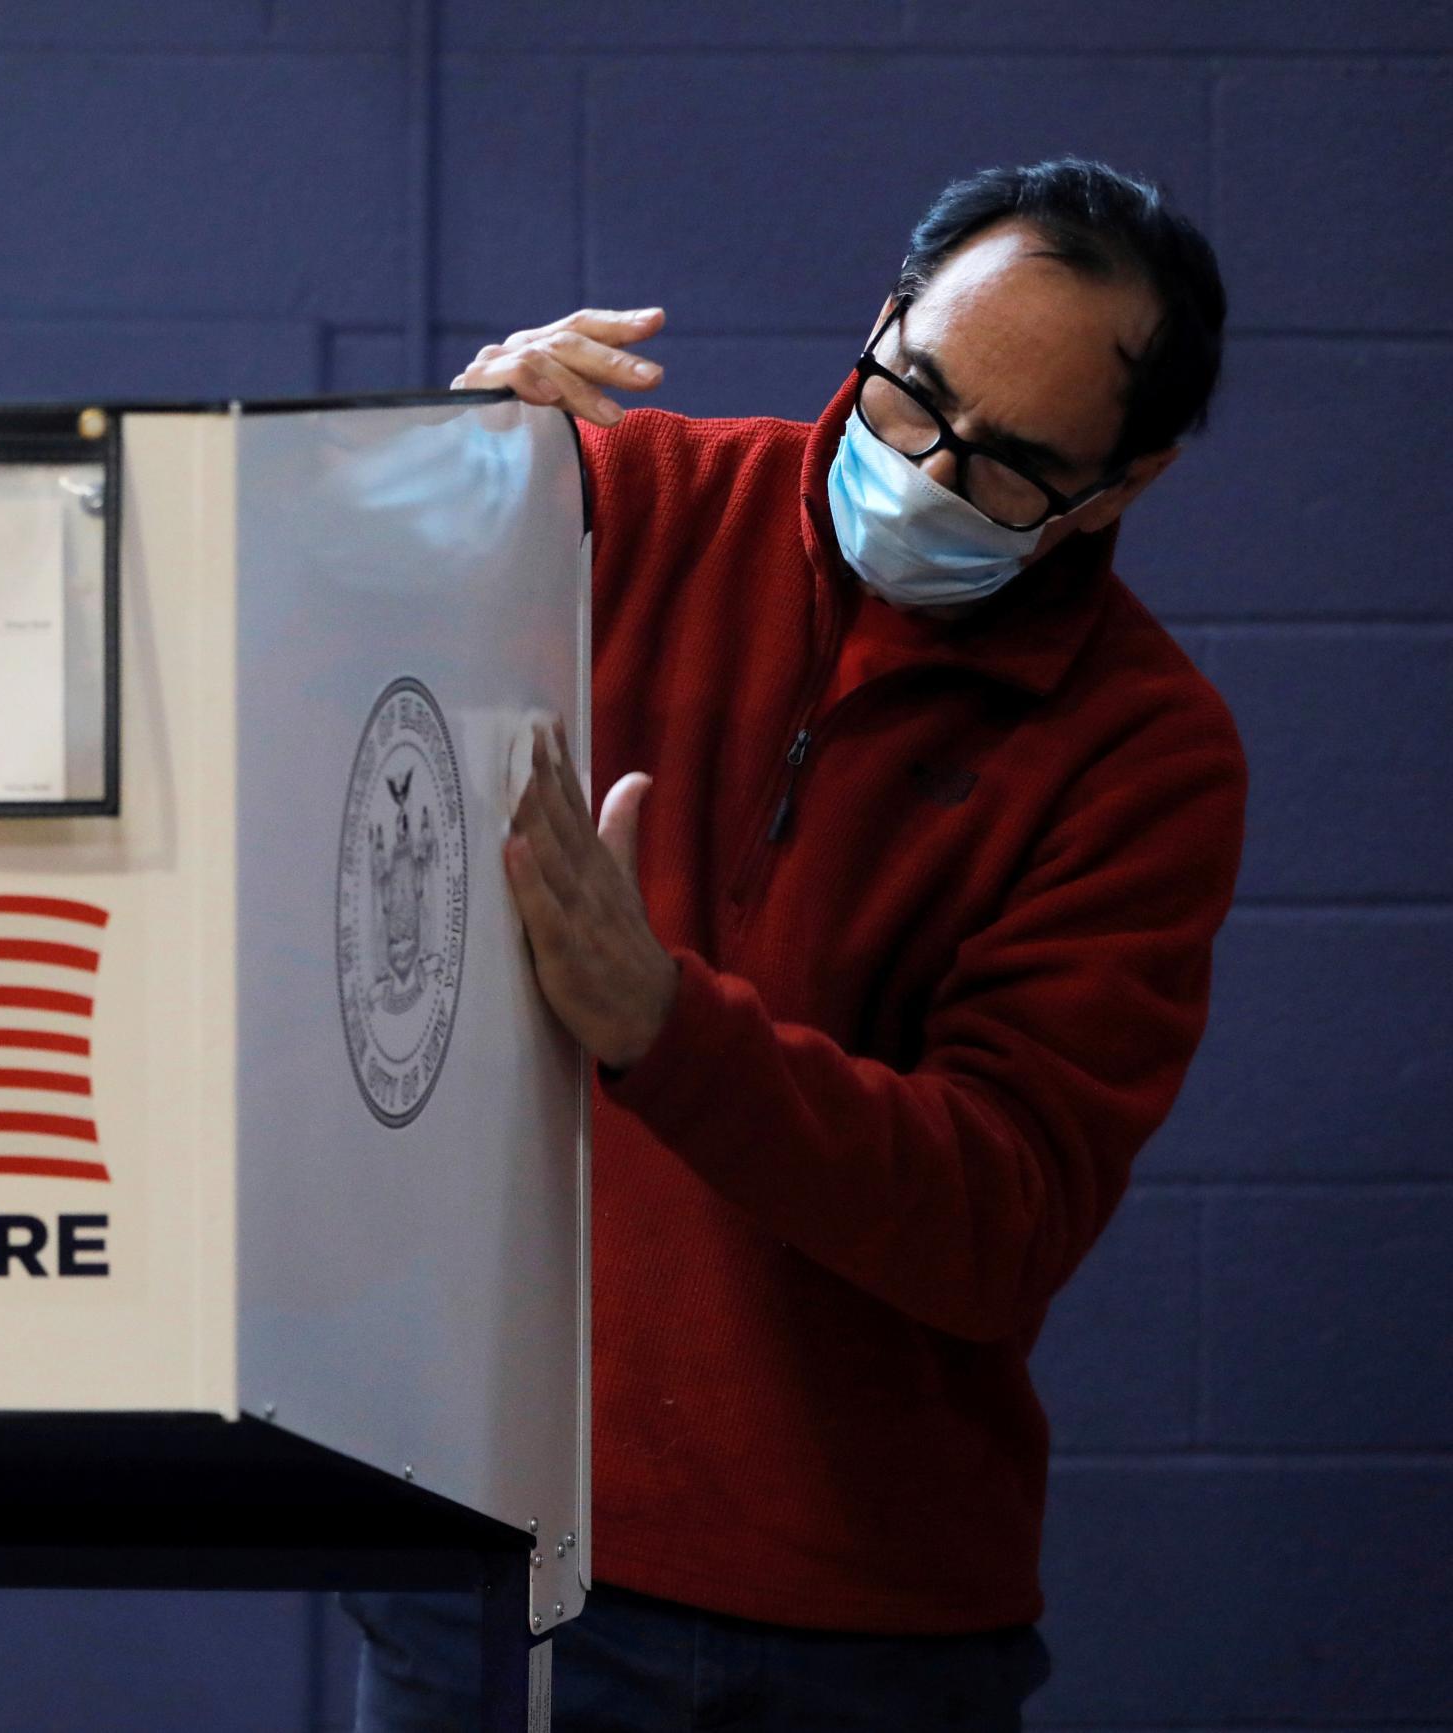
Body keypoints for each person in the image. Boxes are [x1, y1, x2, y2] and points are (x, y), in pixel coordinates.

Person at [346, 158, 1247, 1730]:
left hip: (863, 1624)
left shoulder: (1146, 753)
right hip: (501, 1553)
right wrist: (439, 469)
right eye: (914, 395)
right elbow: (309, 729)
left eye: (1014, 469)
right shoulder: (619, 496)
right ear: (886, 314)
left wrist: (663, 1025)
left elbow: (1001, 1214)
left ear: (1125, 485)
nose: (927, 471)